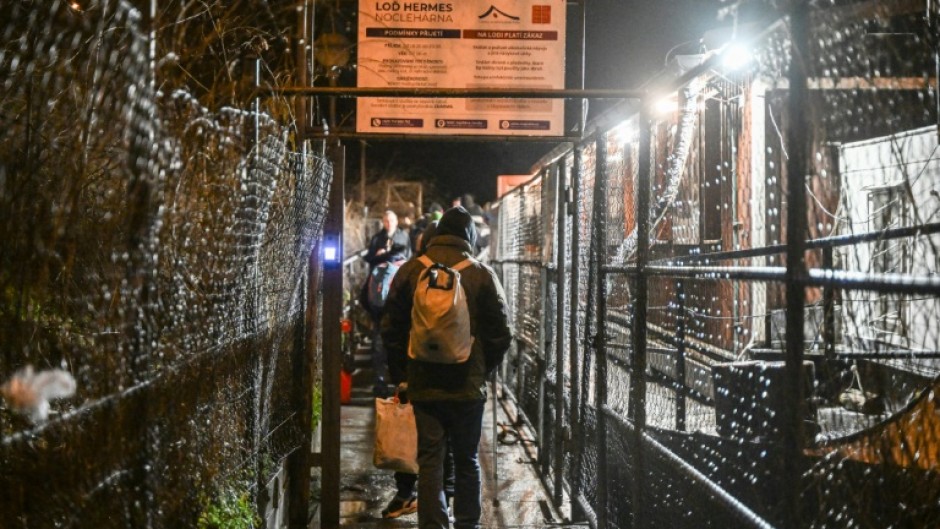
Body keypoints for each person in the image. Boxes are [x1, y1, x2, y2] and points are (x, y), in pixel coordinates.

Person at [382, 206, 512, 529]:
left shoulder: (411, 271)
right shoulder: (481, 274)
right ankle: (468, 523)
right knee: (467, 460)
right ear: (467, 236)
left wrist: (402, 376)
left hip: (424, 384)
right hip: (468, 387)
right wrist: (482, 367)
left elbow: (391, 328)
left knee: (429, 461)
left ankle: (433, 524)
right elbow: (502, 332)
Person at [362, 210, 412, 397]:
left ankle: (391, 379)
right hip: (382, 295)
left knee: (385, 337)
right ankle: (384, 380)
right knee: (382, 338)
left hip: (390, 294)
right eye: (385, 220)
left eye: (391, 220)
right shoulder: (378, 238)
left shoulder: (403, 236)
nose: (388, 223)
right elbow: (370, 259)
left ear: (396, 221)